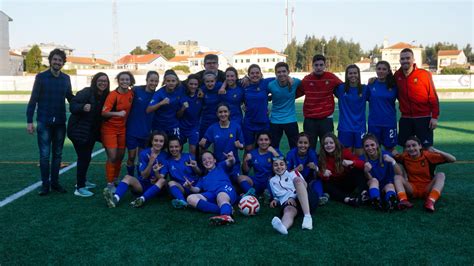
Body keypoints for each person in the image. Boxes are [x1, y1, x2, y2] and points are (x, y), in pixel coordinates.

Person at [26, 48, 74, 195]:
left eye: (60, 60)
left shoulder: (66, 78)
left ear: (63, 63)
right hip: (44, 121)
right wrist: (29, 121)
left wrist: (83, 102)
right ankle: (45, 185)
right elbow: (33, 100)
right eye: (55, 59)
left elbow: (70, 97)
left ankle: (55, 183)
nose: (57, 62)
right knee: (45, 155)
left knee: (58, 154)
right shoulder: (41, 77)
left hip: (60, 122)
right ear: (50, 61)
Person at [67, 72, 110, 197]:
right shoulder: (87, 92)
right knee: (84, 157)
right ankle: (79, 188)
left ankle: (83, 181)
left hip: (90, 132)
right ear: (95, 81)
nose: (103, 83)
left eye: (105, 81)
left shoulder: (105, 95)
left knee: (86, 157)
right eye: (100, 80)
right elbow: (72, 105)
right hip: (78, 131)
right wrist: (82, 107)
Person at [103, 131, 169, 208]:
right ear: (152, 141)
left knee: (162, 181)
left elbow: (162, 178)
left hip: (156, 186)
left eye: (161, 141)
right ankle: (114, 199)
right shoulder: (144, 153)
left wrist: (156, 173)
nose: (158, 143)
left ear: (164, 143)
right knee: (127, 177)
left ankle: (141, 199)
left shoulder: (166, 156)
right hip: (142, 184)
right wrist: (150, 163)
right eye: (156, 140)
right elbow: (143, 176)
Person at [393, 136, 456, 212]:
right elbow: (394, 156)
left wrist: (437, 151)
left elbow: (453, 159)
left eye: (414, 145)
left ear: (420, 146)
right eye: (408, 146)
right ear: (406, 149)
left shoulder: (428, 155)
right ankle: (404, 201)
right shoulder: (404, 156)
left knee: (441, 175)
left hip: (427, 188)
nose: (411, 148)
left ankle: (431, 201)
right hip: (412, 189)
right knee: (397, 177)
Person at [296, 54, 343, 150]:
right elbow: (293, 94)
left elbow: (344, 87)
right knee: (309, 146)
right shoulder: (307, 79)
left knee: (327, 147)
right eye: (316, 65)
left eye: (321, 65)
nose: (319, 67)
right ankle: (311, 164)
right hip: (310, 120)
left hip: (326, 119)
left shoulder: (331, 77)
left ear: (325, 65)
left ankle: (326, 165)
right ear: (312, 66)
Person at [395, 48, 439, 149]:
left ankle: (428, 165)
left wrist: (434, 117)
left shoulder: (424, 74)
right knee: (406, 148)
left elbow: (433, 96)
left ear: (413, 59)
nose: (405, 60)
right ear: (399, 61)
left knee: (426, 148)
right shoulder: (397, 75)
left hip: (423, 118)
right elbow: (386, 82)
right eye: (402, 58)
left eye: (408, 58)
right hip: (405, 118)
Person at [101, 71, 135, 191]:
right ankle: (109, 183)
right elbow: (104, 113)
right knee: (113, 156)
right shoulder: (112, 95)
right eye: (122, 79)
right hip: (109, 129)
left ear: (130, 81)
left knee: (120, 156)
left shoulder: (131, 93)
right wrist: (118, 113)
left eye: (127, 79)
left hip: (122, 129)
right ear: (118, 81)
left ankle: (115, 178)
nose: (125, 82)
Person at [185, 151, 238, 226]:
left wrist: (231, 158)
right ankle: (225, 208)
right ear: (202, 163)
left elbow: (231, 162)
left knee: (221, 196)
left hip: (225, 190)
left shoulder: (220, 166)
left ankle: (226, 215)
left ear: (214, 160)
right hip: (211, 194)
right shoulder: (203, 178)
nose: (207, 161)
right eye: (204, 160)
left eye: (209, 158)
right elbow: (196, 189)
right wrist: (190, 187)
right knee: (190, 198)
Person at [318, 133, 367, 207]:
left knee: (357, 170)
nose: (328, 145)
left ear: (336, 143)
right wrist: (324, 175)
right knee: (325, 184)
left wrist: (352, 162)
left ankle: (364, 194)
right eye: (326, 143)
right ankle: (347, 199)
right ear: (323, 146)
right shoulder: (321, 157)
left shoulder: (344, 152)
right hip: (333, 184)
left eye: (331, 143)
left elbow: (362, 164)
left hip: (346, 182)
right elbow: (319, 174)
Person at [125, 71, 159, 176]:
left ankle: (140, 178)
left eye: (156, 81)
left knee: (142, 158)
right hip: (132, 130)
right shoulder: (136, 90)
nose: (153, 83)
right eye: (151, 80)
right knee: (131, 156)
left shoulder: (157, 95)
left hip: (146, 132)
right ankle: (130, 178)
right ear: (147, 80)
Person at [269, 157, 315, 234]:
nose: (279, 167)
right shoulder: (272, 181)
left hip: (307, 198)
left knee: (297, 180)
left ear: (286, 166)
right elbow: (276, 194)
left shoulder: (293, 173)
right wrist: (275, 200)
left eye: (282, 164)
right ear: (273, 168)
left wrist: (292, 197)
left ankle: (307, 217)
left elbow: (304, 185)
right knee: (288, 210)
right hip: (290, 203)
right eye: (276, 165)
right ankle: (283, 227)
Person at [199, 103, 244, 182]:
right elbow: (204, 145)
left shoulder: (236, 127)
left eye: (225, 111)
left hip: (233, 163)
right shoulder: (213, 128)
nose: (223, 114)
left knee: (238, 182)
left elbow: (242, 145)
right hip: (219, 164)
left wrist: (240, 146)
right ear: (217, 114)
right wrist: (202, 144)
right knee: (220, 183)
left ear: (229, 112)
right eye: (220, 112)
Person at [334, 64, 369, 156]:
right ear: (347, 75)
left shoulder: (365, 89)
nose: (353, 75)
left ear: (358, 74)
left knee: (359, 155)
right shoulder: (340, 88)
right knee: (346, 155)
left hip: (360, 127)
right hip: (345, 127)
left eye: (355, 73)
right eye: (350, 73)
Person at [286, 132, 328, 205]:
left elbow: (318, 173)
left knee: (317, 182)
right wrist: (295, 170)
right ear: (296, 143)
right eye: (300, 142)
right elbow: (285, 174)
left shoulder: (312, 153)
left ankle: (319, 197)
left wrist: (315, 167)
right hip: (295, 181)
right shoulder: (291, 154)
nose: (303, 145)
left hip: (308, 180)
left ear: (309, 144)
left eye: (305, 143)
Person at [361, 134, 400, 211]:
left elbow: (399, 174)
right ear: (364, 148)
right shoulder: (362, 159)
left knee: (390, 185)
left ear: (377, 145)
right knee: (374, 180)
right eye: (367, 146)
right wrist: (366, 171)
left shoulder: (386, 155)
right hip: (373, 187)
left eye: (372, 145)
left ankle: (391, 201)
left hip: (386, 184)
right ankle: (376, 201)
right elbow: (369, 179)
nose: (370, 148)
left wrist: (393, 161)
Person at [267, 62, 300, 150]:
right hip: (275, 120)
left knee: (295, 147)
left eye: (284, 71)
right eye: (279, 72)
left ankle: (294, 163)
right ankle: (275, 163)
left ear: (288, 72)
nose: (281, 74)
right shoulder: (271, 85)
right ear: (275, 73)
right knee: (273, 146)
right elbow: (261, 95)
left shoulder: (295, 82)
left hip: (291, 119)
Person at [367, 61, 398, 151]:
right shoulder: (371, 84)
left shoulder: (394, 85)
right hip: (374, 123)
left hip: (389, 123)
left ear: (388, 71)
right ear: (376, 70)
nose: (381, 71)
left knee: (390, 149)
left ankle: (391, 165)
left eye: (384, 69)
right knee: (373, 149)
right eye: (379, 69)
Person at [242, 64, 273, 152]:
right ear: (248, 75)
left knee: (264, 148)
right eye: (252, 73)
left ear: (261, 74)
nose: (255, 75)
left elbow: (281, 78)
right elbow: (231, 82)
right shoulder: (244, 84)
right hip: (249, 122)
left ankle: (263, 166)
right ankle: (245, 166)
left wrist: (289, 78)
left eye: (257, 73)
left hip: (263, 122)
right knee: (248, 149)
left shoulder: (265, 83)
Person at [239, 132, 281, 196]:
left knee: (271, 184)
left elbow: (283, 166)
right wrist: (245, 161)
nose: (263, 142)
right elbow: (246, 171)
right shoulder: (253, 153)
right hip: (257, 180)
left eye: (266, 140)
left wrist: (274, 152)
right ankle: (251, 193)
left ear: (270, 141)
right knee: (240, 177)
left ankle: (267, 193)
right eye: (261, 140)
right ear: (257, 142)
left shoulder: (274, 151)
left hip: (271, 180)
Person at [167, 136, 201, 208]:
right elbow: (163, 176)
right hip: (182, 188)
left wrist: (195, 167)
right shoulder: (168, 161)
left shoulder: (189, 156)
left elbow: (200, 173)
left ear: (180, 147)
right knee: (171, 182)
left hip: (194, 186)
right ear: (168, 148)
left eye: (176, 146)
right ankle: (182, 201)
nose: (174, 149)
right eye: (171, 147)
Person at [147, 70, 182, 138]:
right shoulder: (159, 93)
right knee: (159, 147)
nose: (171, 83)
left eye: (173, 81)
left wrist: (199, 90)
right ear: (164, 82)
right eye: (168, 81)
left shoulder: (180, 89)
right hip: (159, 126)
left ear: (177, 81)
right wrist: (160, 103)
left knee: (175, 146)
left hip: (173, 125)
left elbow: (193, 83)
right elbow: (148, 110)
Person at [177, 74, 202, 156]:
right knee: (177, 149)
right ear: (187, 84)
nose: (193, 86)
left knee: (193, 150)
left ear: (198, 85)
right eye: (191, 84)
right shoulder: (182, 96)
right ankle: (178, 167)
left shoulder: (200, 95)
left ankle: (192, 167)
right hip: (182, 127)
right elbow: (178, 115)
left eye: (195, 84)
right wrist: (182, 109)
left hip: (194, 128)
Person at [199, 71, 223, 139]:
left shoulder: (220, 86)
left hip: (218, 119)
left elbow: (229, 81)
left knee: (218, 142)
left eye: (212, 81)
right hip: (205, 120)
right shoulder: (202, 89)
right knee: (202, 142)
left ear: (215, 81)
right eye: (207, 81)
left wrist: (223, 86)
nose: (210, 84)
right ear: (204, 82)